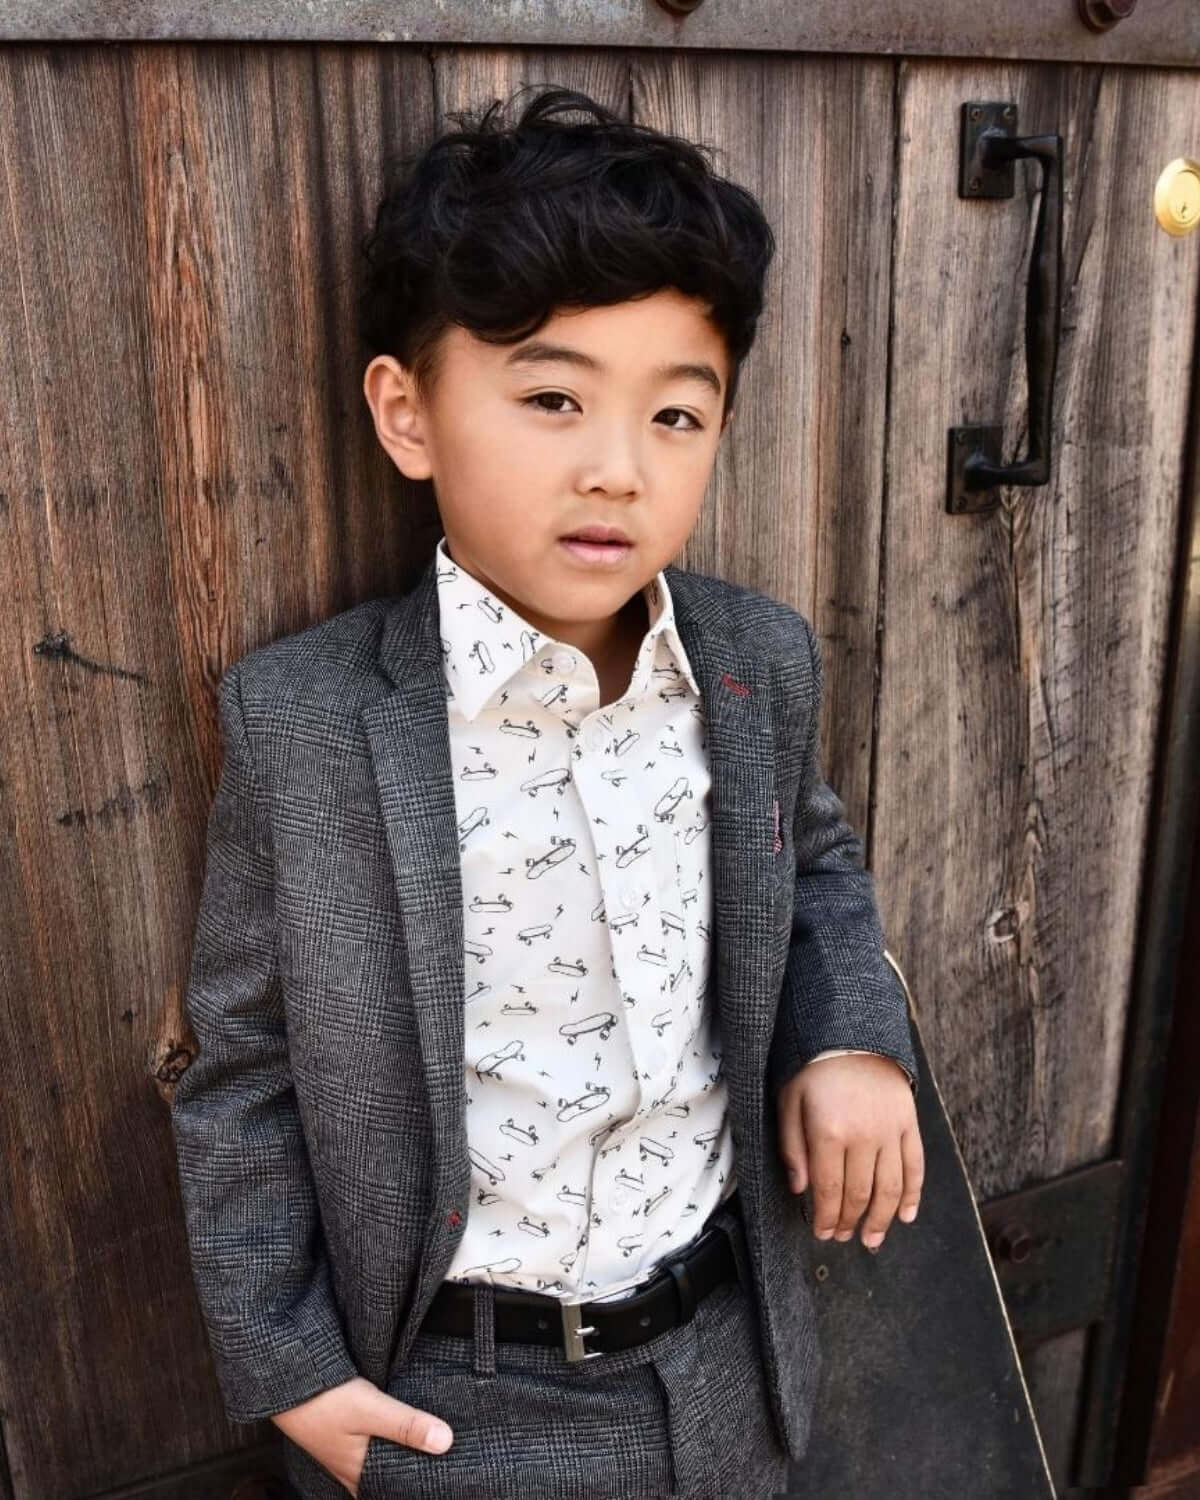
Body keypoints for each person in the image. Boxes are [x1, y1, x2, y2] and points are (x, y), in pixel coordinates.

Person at [169, 84, 924, 1500]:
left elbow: (812, 865)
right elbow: (242, 1069)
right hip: (458, 1407)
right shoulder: (313, 723)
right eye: (552, 397)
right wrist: (293, 1373)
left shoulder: (754, 664)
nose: (617, 468)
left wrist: (848, 1040)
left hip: (731, 1360)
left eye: (679, 416)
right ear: (409, 413)